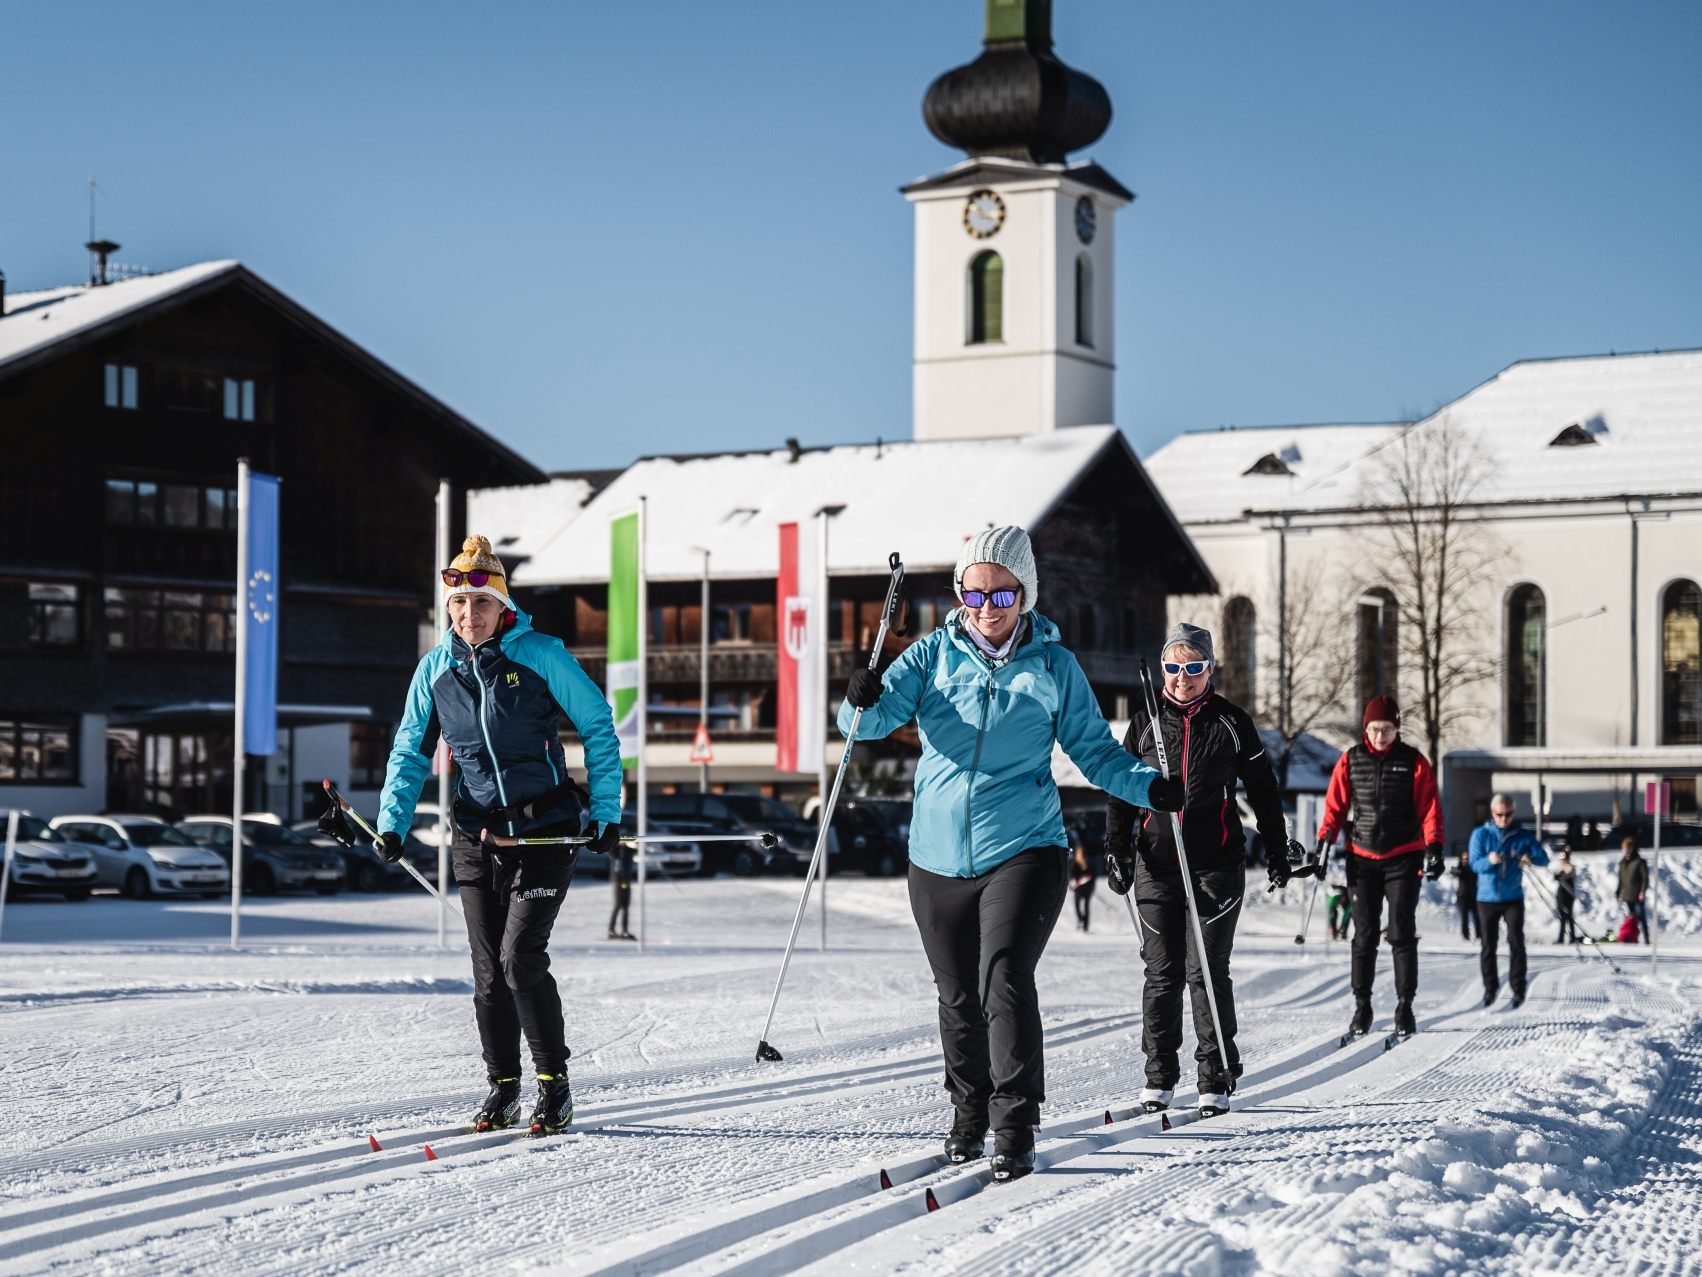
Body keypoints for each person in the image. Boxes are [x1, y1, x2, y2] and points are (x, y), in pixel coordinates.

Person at [839, 525, 1181, 1182]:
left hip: (1024, 846)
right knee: (957, 993)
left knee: (1003, 976)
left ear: (1024, 593)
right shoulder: (933, 655)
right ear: (960, 594)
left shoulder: (1054, 667)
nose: (986, 605)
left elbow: (1097, 753)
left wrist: (1148, 786)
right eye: (974, 591)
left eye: (1001, 592)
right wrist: (862, 694)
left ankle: (1015, 1122)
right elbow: (868, 723)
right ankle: (968, 1112)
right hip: (934, 854)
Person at [376, 535, 623, 1135]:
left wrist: (607, 811)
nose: (468, 615)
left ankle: (553, 1087)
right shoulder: (435, 669)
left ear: (502, 605)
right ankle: (503, 1088)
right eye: (458, 604)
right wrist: (392, 821)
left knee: (520, 959)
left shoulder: (541, 654)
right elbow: (411, 749)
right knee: (488, 971)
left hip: (545, 832)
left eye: (479, 603)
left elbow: (597, 724)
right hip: (477, 837)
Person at [1104, 622, 1302, 1119]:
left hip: (1215, 863)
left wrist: (1276, 848)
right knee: (1162, 972)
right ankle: (1159, 1077)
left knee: (1206, 972)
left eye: (1193, 668)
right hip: (1156, 864)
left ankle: (1214, 1075)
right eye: (1173, 667)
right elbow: (1121, 787)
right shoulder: (1146, 722)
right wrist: (1117, 849)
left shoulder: (1231, 722)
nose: (1181, 678)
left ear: (1209, 670)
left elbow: (1263, 790)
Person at [1316, 694, 1444, 1041]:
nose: (1380, 735)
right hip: (1362, 858)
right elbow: (1335, 807)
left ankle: (1405, 1006)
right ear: (1365, 729)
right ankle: (1363, 1005)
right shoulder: (1351, 760)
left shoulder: (1413, 761)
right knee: (1364, 934)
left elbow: (1430, 806)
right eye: (1374, 729)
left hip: (1404, 856)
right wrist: (1324, 842)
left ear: (1397, 727)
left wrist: (1434, 846)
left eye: (1387, 729)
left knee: (1401, 931)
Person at [1468, 794, 1548, 1007]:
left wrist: (1529, 858)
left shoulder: (1522, 835)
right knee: (1488, 945)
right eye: (1499, 814)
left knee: (1516, 942)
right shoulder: (1481, 834)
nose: (1504, 819)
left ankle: (1518, 988)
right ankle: (1490, 988)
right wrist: (1489, 860)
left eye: (1508, 814)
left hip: (1513, 897)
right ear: (1492, 813)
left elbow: (1544, 858)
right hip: (1486, 898)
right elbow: (1474, 864)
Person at [1618, 836, 1649, 942]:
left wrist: (1642, 891)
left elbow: (1645, 878)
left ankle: (1646, 938)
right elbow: (1621, 879)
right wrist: (1618, 892)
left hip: (1637, 895)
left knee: (1641, 917)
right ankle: (1632, 938)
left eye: (1627, 848)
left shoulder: (1639, 862)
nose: (1626, 851)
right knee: (1631, 920)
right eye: (1624, 849)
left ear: (1632, 848)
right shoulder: (1622, 863)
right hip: (1627, 895)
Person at [608, 840, 636, 940]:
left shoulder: (629, 851)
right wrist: (618, 845)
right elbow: (612, 853)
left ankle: (625, 930)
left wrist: (629, 845)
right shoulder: (615, 851)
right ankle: (611, 930)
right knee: (618, 905)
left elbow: (635, 849)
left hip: (626, 880)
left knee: (626, 906)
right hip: (617, 880)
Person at [1069, 838, 1097, 933]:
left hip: (1088, 888)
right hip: (1078, 889)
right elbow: (1072, 875)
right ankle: (1080, 920)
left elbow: (1093, 875)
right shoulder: (1075, 863)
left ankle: (1085, 925)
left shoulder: (1088, 862)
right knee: (1077, 906)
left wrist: (1090, 882)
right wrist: (1074, 883)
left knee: (1086, 906)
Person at [1326, 838, 1351, 941]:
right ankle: (1333, 930)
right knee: (1332, 910)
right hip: (1334, 890)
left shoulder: (1350, 861)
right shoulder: (1330, 862)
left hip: (1347, 890)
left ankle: (1342, 931)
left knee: (1350, 910)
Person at [1553, 846, 1579, 944]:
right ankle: (1561, 938)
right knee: (1562, 918)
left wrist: (1561, 876)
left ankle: (1572, 937)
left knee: (1569, 917)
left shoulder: (1571, 868)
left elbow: (1569, 877)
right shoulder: (1561, 868)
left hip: (1568, 896)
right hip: (1561, 895)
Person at [1453, 849, 1479, 941]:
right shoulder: (1460, 868)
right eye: (1463, 859)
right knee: (1464, 917)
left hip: (1474, 896)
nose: (1465, 860)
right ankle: (1465, 935)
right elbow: (1455, 872)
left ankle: (1479, 935)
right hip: (1463, 896)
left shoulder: (1473, 868)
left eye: (1467, 859)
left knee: (1477, 917)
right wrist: (1456, 871)